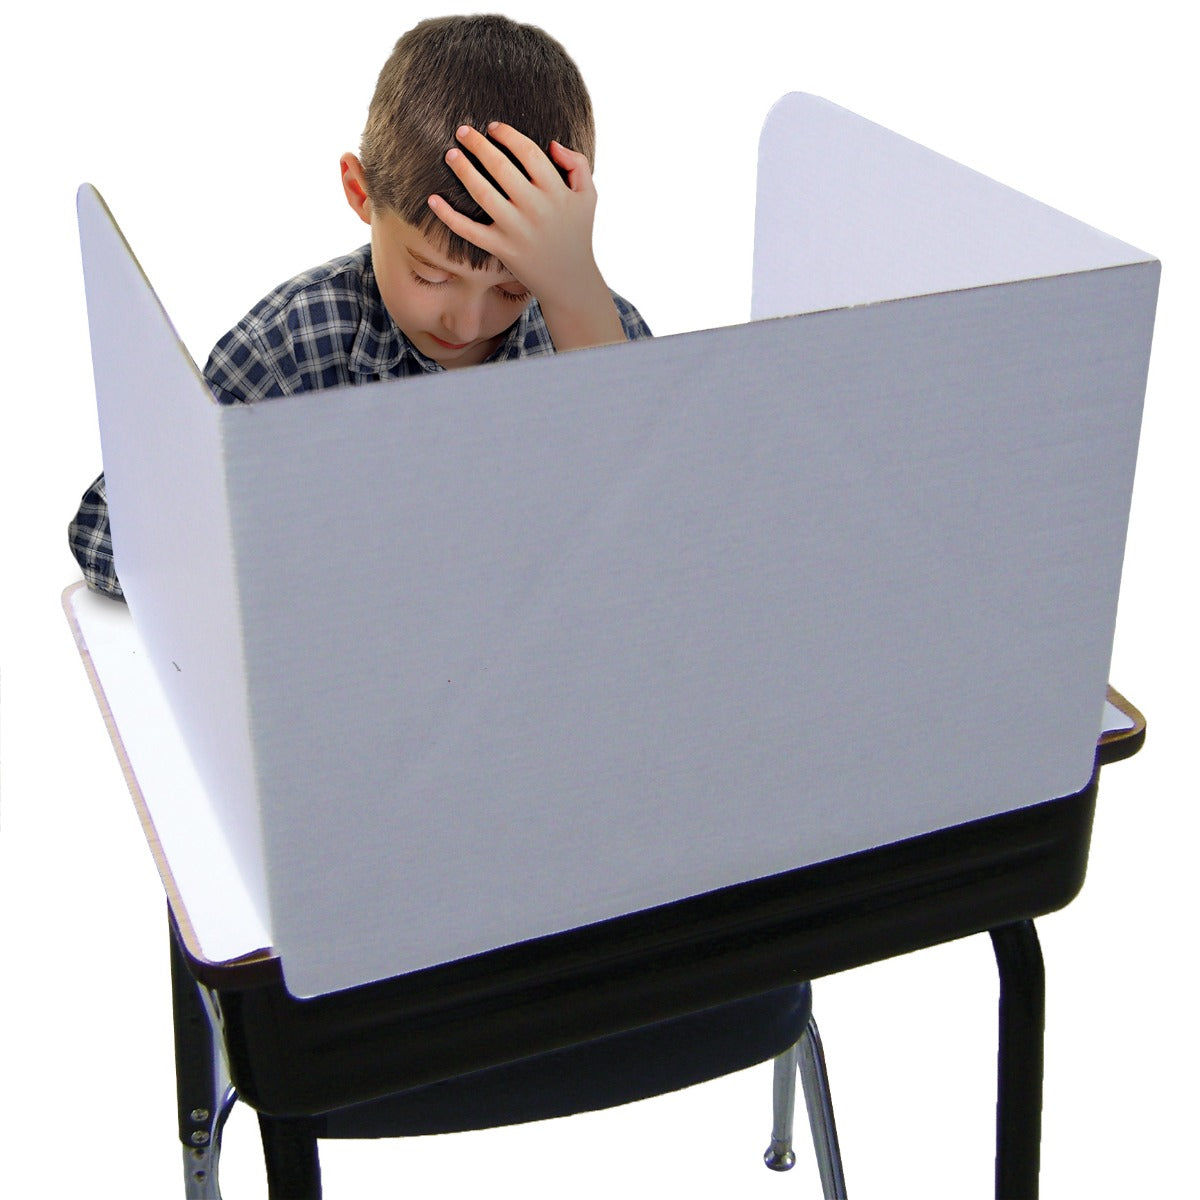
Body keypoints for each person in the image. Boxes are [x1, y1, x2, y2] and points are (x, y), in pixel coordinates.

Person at [68, 14, 651, 598]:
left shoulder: (596, 324)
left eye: (513, 289)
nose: (467, 322)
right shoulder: (296, 342)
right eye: (430, 275)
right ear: (359, 192)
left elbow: (666, 527)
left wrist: (576, 299)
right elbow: (105, 532)